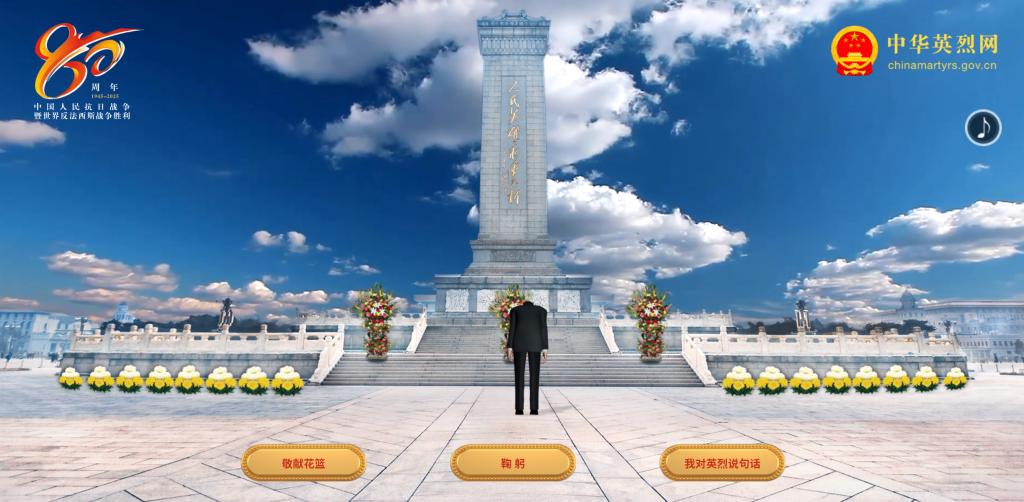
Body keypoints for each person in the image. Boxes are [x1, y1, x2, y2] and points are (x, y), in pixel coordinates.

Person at [506, 300, 549, 415]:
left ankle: (519, 409)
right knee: (535, 377)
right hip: (536, 345)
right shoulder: (541, 311)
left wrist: (509, 346)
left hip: (519, 345)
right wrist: (545, 347)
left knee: (519, 377)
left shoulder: (515, 310)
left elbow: (512, 328)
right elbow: (543, 328)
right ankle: (534, 409)